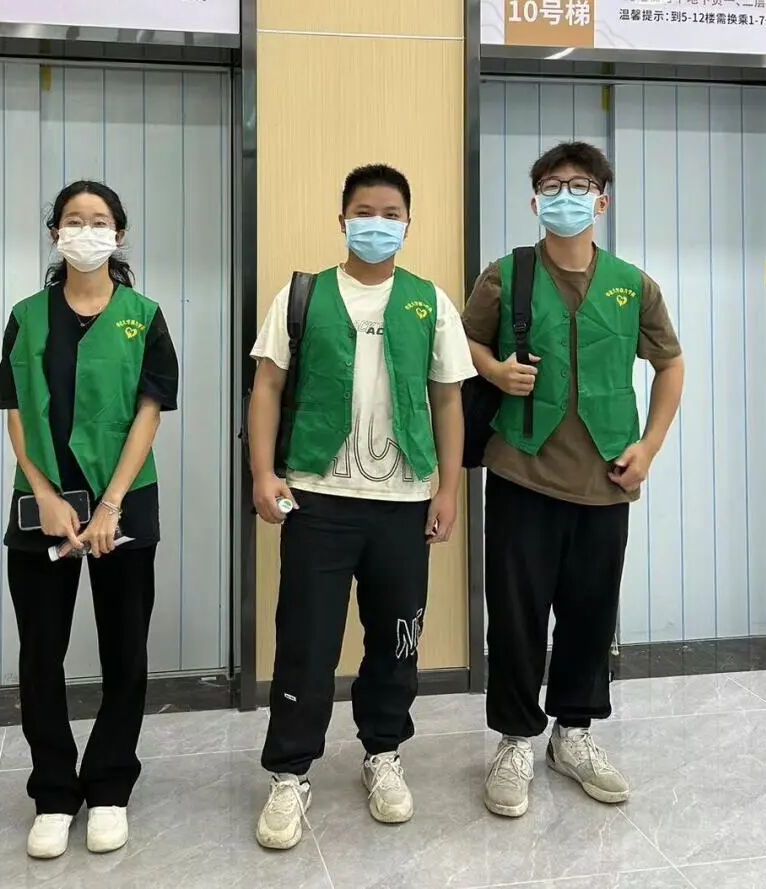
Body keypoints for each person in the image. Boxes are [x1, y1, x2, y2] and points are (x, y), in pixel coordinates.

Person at [249, 164, 475, 850]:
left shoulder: (429, 301)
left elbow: (448, 400)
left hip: (403, 502)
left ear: (408, 224)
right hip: (316, 498)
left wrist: (448, 489)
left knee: (396, 638)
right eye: (364, 212)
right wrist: (262, 472)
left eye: (391, 213)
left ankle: (383, 752)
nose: (377, 223)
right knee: (306, 639)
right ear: (342, 219)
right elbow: (267, 387)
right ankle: (290, 771)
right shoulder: (303, 294)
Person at [463, 142, 684, 817]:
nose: (566, 196)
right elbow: (464, 343)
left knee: (590, 612)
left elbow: (670, 364)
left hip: (605, 476)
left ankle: (574, 734)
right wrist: (495, 370)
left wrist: (649, 447)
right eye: (552, 186)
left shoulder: (633, 284)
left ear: (602, 200)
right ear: (535, 201)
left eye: (579, 185)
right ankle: (514, 740)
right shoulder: (507, 275)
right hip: (522, 470)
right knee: (517, 614)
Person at [0, 180, 179, 859]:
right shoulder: (26, 316)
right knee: (41, 653)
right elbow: (15, 410)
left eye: (99, 221)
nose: (86, 231)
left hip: (123, 502)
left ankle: (108, 786)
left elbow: (150, 412)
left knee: (124, 650)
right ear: (56, 234)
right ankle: (52, 792)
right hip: (41, 505)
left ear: (118, 235)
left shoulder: (144, 316)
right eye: (73, 220)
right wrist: (45, 492)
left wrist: (110, 505)